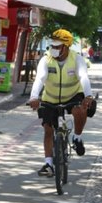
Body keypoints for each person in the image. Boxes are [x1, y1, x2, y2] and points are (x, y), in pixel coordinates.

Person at [28, 28, 95, 177]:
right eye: (52, 46)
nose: (54, 49)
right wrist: (34, 97)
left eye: (57, 47)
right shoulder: (46, 60)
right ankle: (48, 164)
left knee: (80, 110)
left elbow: (84, 77)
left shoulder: (77, 59)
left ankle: (77, 138)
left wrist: (88, 95)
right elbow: (40, 78)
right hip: (50, 98)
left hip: (73, 96)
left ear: (66, 46)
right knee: (48, 130)